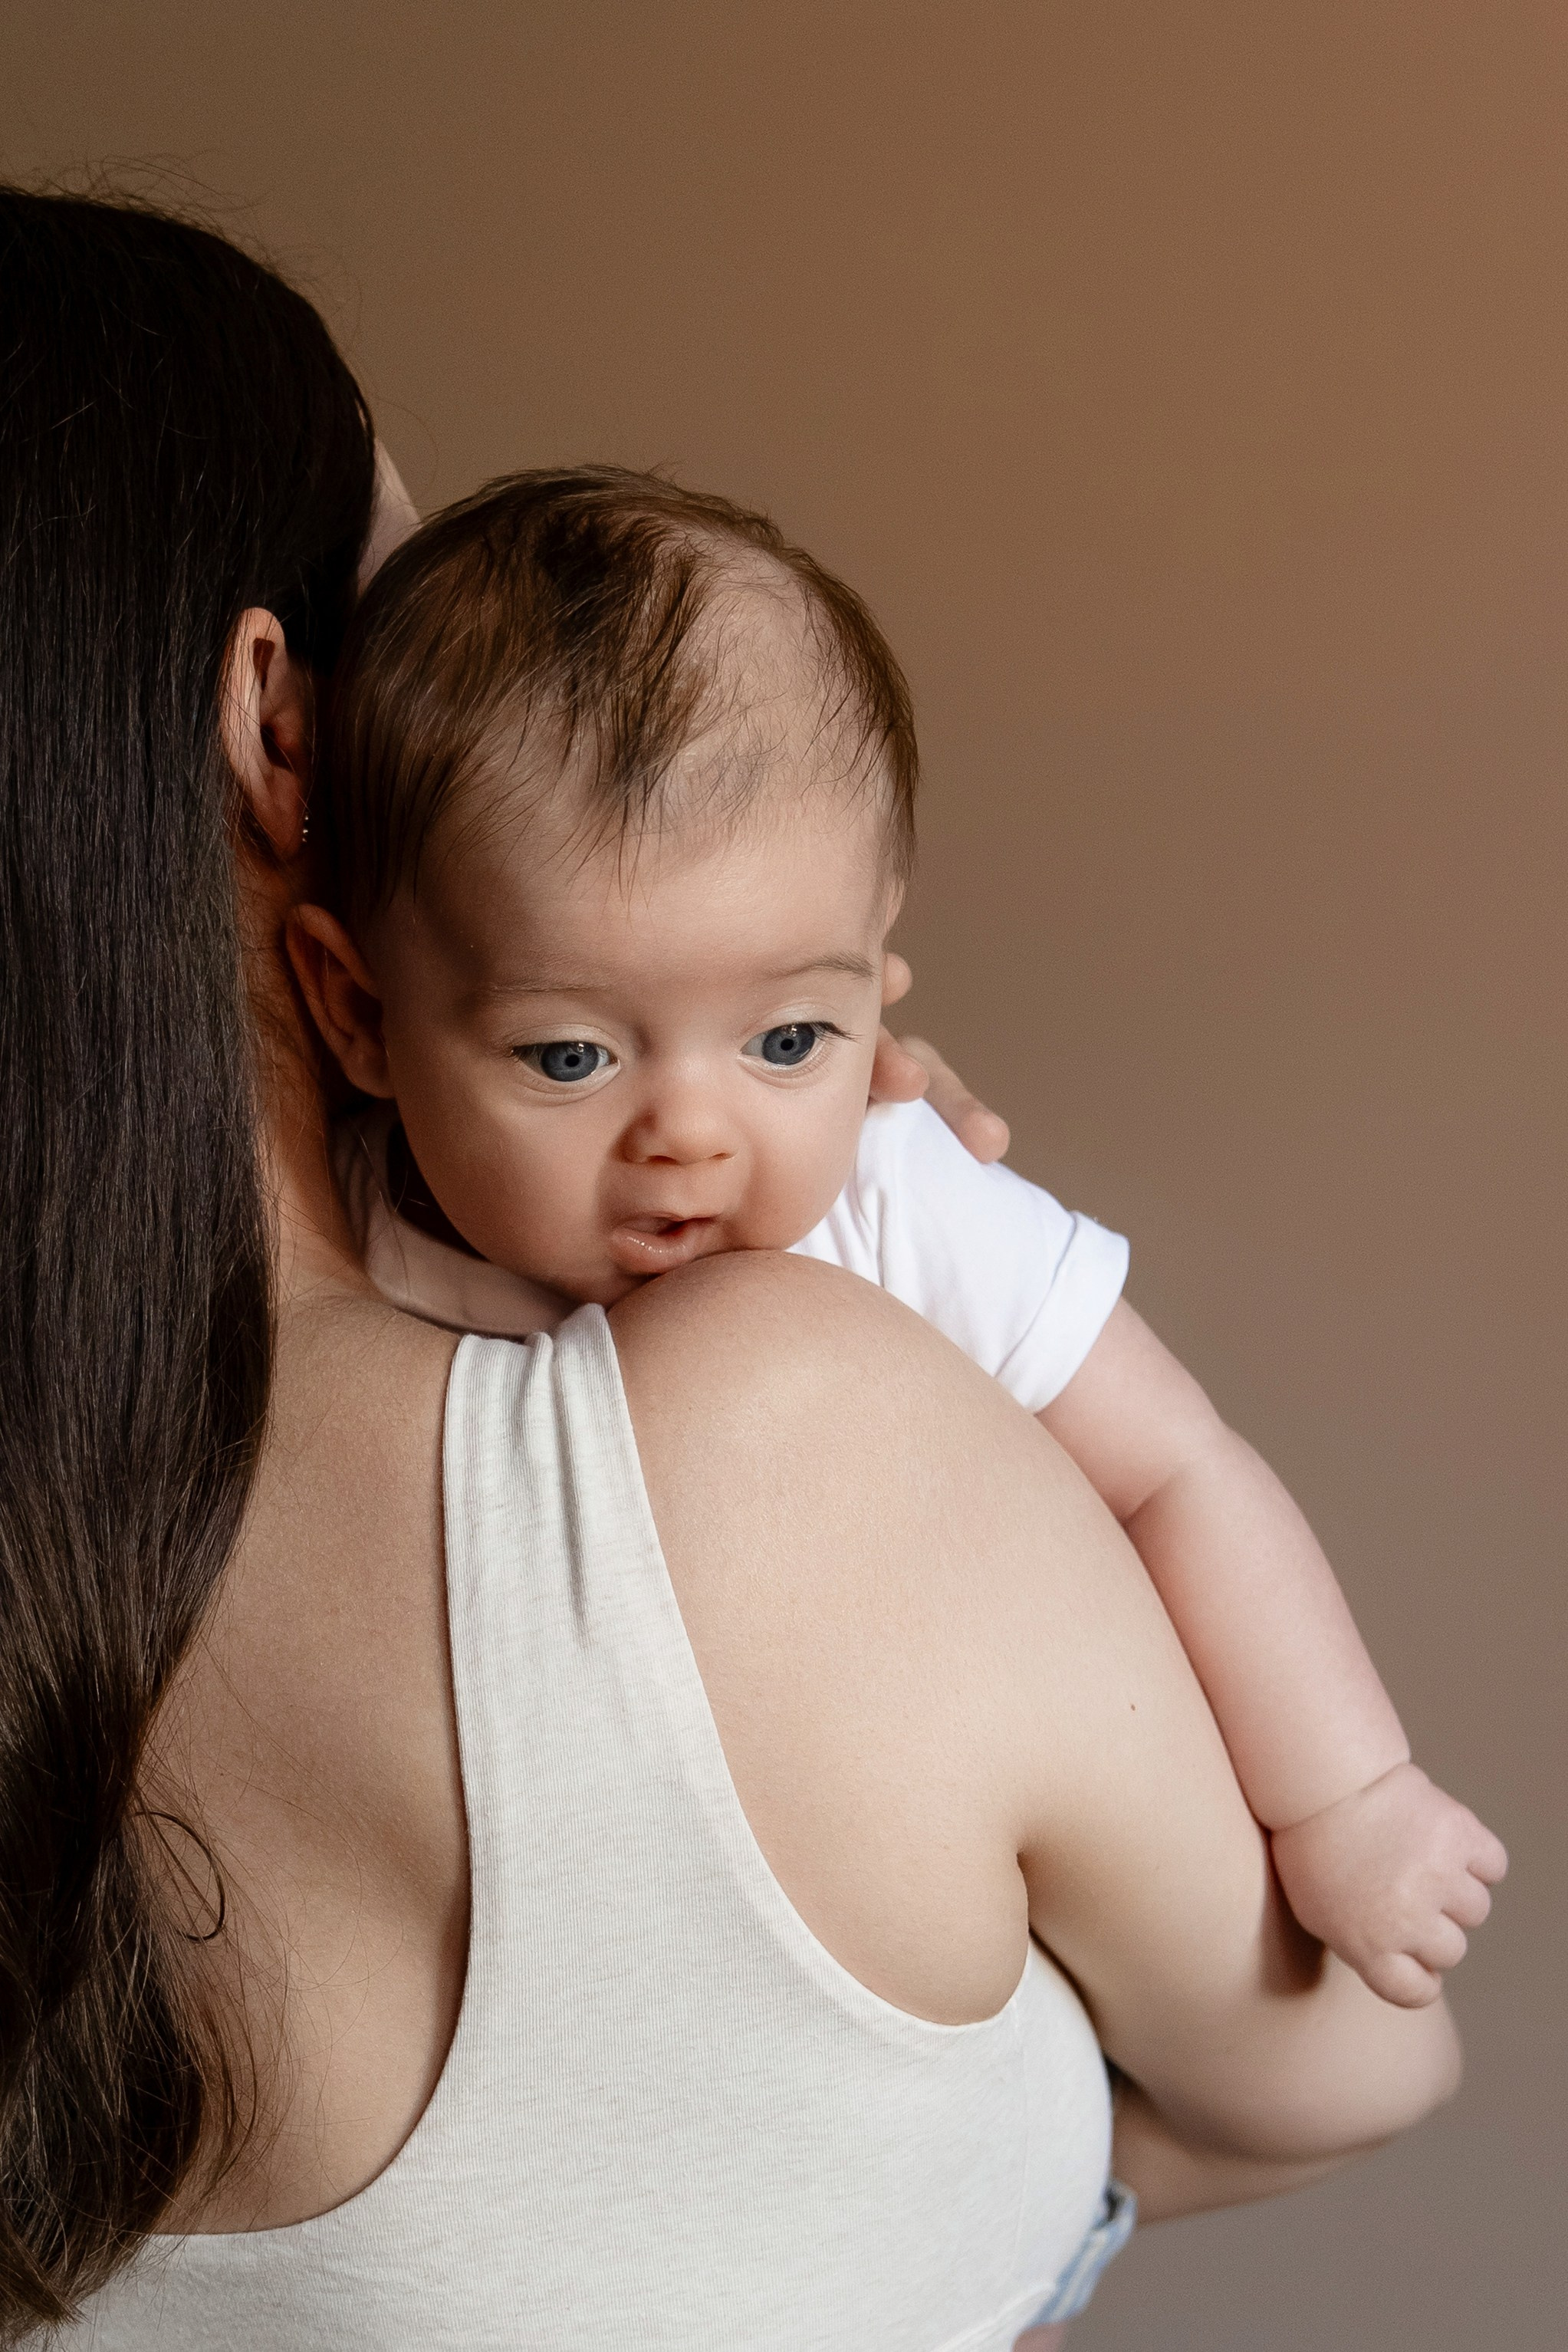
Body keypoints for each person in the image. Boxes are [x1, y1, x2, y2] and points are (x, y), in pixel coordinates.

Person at [0, 189, 1461, 2352]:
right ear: (278, 723)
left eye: (789, 1028)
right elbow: (1349, 2061)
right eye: (415, 607)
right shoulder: (776, 1425)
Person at [291, 468, 1504, 2014]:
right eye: (573, 1057)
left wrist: (1348, 1795)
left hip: (999, 1880)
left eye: (789, 1035)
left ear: (880, 980)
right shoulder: (355, 1257)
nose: (695, 1135)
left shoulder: (893, 1195)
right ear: (355, 1011)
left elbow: (1176, 1466)